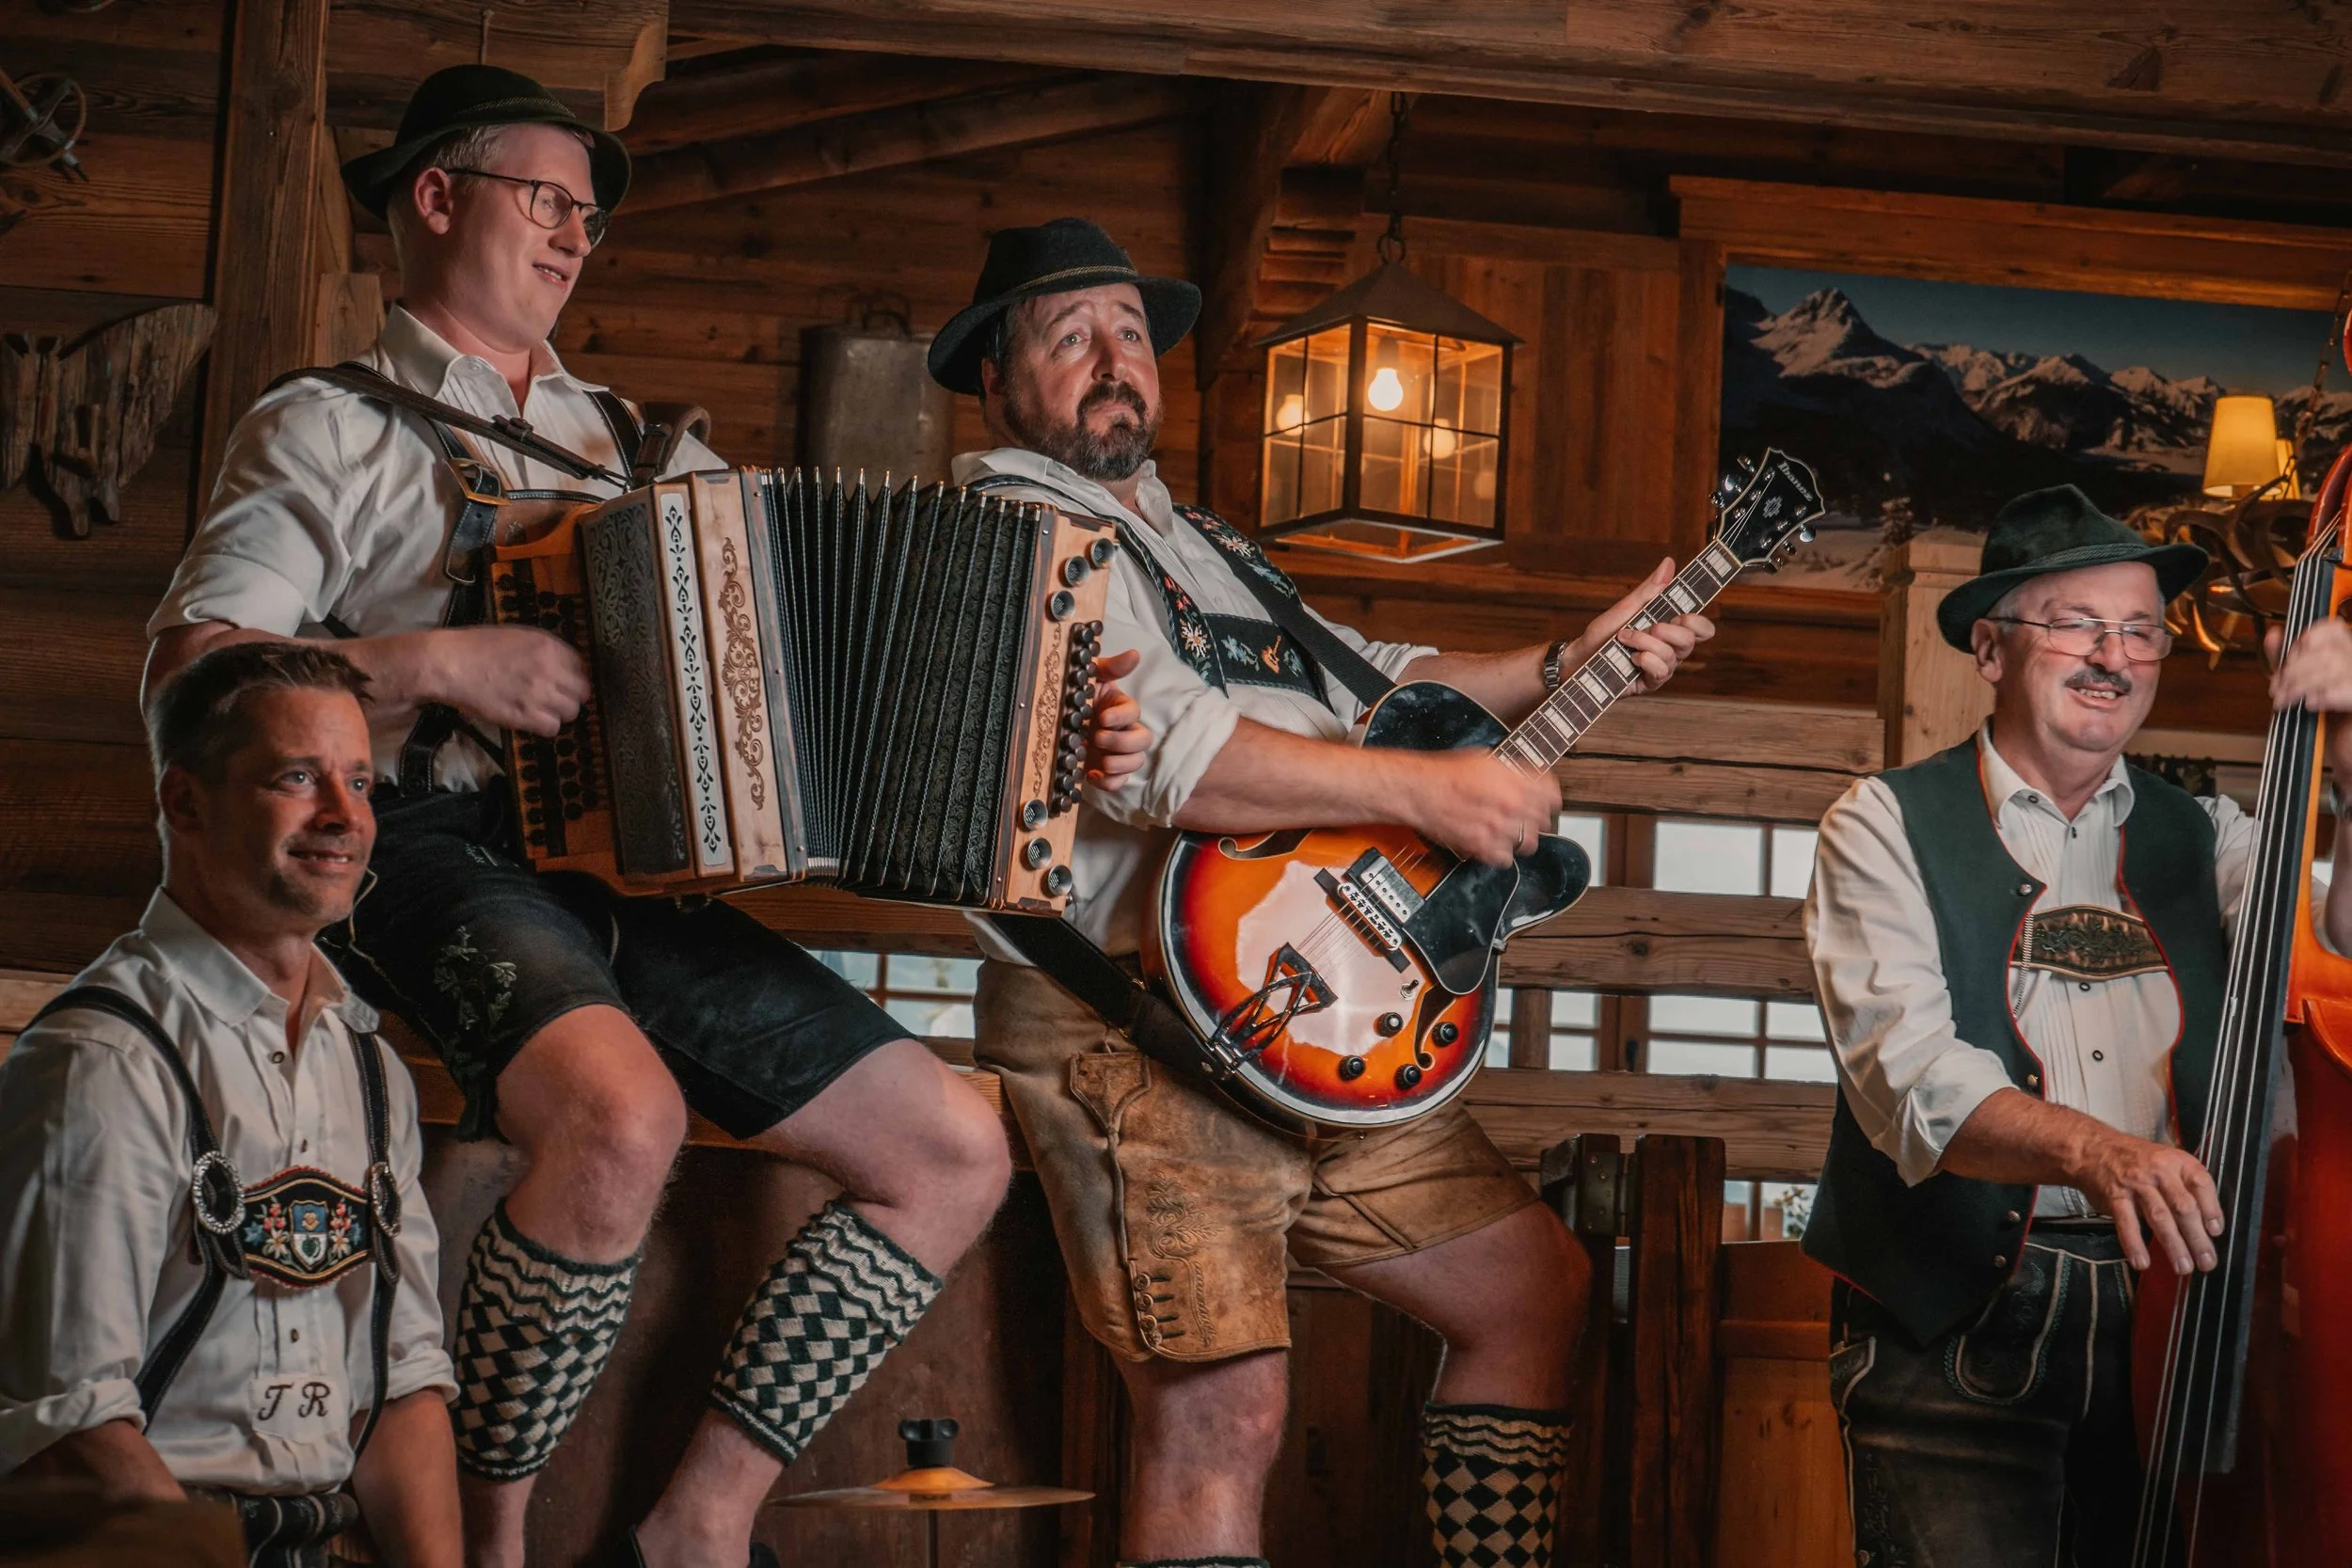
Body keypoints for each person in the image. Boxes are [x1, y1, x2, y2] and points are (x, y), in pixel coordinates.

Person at [142, 66, 1011, 1568]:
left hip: (632, 866)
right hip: (424, 844)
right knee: (622, 1117)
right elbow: (193, 673)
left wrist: (1009, 703)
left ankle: (697, 1525)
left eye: (590, 220)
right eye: (548, 200)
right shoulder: (327, 426)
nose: (573, 237)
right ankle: (482, 1543)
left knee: (954, 1146)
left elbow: (786, 640)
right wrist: (434, 663)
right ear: (438, 195)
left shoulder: (635, 445)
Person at [931, 216, 1713, 1568]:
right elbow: (1170, 762)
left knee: (1531, 1289)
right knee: (1222, 1409)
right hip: (1135, 1029)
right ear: (996, 384)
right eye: (1070, 336)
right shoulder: (1008, 528)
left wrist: (1569, 653)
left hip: (1316, 1018)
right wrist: (1430, 794)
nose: (1115, 359)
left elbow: (1382, 684)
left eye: (1131, 330)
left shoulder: (1203, 540)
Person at [1803, 484, 2352, 1564]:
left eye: (2139, 630)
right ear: (1990, 648)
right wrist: (2099, 1152)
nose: (2112, 655)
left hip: (2182, 1319)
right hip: (1954, 1328)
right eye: (2075, 624)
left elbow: (2337, 967)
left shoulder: (2212, 836)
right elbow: (1911, 1080)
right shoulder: (1880, 822)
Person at [0, 642, 459, 1567]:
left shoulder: (371, 1068)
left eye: (359, 782)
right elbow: (66, 1430)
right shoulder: (104, 1061)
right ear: (185, 801)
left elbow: (400, 1389)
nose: (344, 816)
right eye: (297, 777)